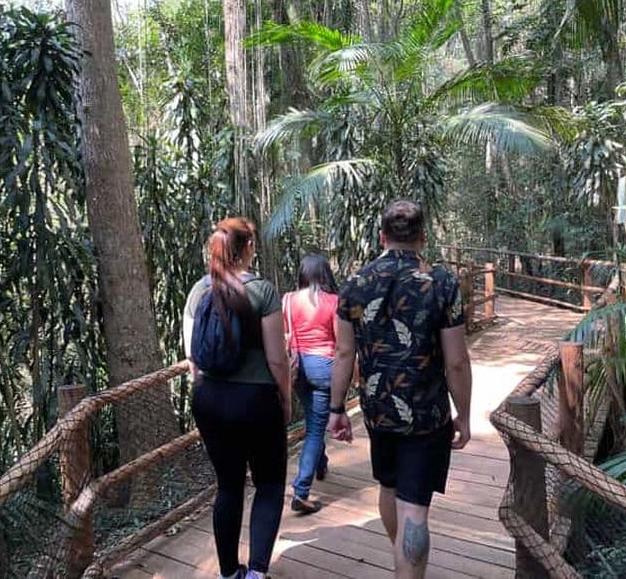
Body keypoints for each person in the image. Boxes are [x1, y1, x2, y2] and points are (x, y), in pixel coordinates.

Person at [327, 199, 473, 579]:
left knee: (389, 487)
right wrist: (466, 415)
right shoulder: (442, 283)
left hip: (378, 412)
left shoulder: (355, 284)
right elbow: (456, 360)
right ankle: (407, 569)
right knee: (414, 510)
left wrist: (336, 409)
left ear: (382, 236)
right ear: (423, 237)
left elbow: (344, 353)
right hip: (426, 417)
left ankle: (402, 563)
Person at [183, 217, 291, 579]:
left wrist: (207, 392)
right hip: (257, 401)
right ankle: (258, 572)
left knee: (228, 485)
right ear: (247, 249)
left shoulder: (199, 292)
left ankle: (229, 573)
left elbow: (192, 359)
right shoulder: (262, 291)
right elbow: (277, 358)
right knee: (270, 482)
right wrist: (286, 400)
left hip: (210, 399)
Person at [282, 254, 339, 514]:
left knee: (314, 420)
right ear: (325, 274)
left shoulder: (288, 300)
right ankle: (301, 491)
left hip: (297, 368)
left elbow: (286, 334)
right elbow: (341, 343)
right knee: (316, 428)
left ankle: (320, 463)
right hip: (323, 368)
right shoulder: (334, 302)